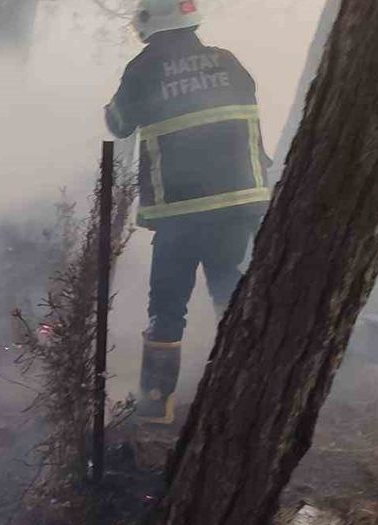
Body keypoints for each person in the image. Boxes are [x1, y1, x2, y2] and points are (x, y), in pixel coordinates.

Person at [105, 0, 271, 424]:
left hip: (181, 211)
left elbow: (118, 122)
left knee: (167, 307)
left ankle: (157, 404)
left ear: (147, 24)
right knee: (229, 296)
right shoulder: (229, 63)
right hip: (236, 207)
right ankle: (244, 395)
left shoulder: (144, 69)